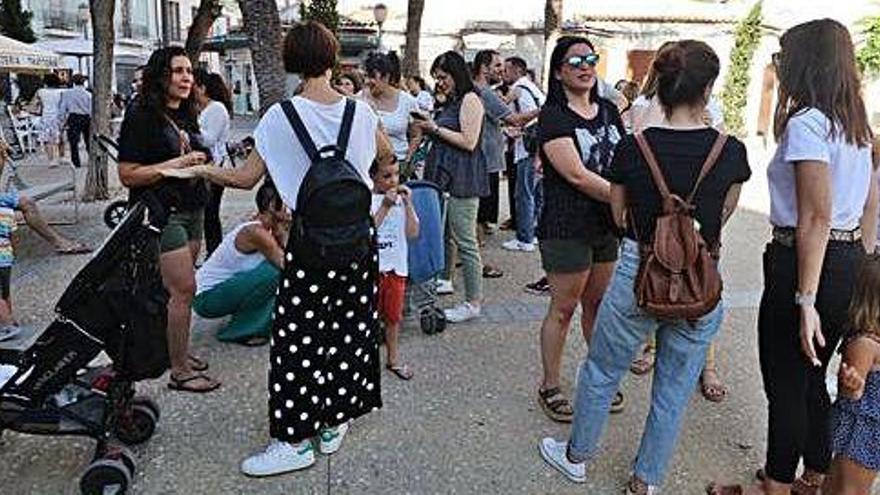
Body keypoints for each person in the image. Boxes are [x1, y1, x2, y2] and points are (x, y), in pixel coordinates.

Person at [539, 39, 751, 494]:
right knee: (673, 388)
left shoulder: (634, 149)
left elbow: (619, 216)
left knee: (602, 369)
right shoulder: (730, 151)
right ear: (708, 88)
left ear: (662, 86)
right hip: (700, 276)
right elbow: (725, 213)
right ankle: (645, 480)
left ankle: (577, 457)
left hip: (639, 271)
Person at [191, 21, 393, 476]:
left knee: (298, 339)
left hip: (309, 245)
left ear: (290, 61)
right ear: (332, 56)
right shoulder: (361, 113)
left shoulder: (279, 117)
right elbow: (385, 157)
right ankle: (333, 422)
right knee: (349, 331)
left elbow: (245, 178)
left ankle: (294, 441)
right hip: (358, 242)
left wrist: (201, 172)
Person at [708, 19, 878, 495]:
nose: (778, 66)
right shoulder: (855, 124)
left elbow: (814, 217)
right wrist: (859, 267)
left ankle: (777, 483)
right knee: (812, 377)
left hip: (804, 263)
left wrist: (805, 300)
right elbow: (866, 206)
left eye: (783, 57)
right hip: (845, 263)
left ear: (805, 62)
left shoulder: (808, 123)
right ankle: (813, 474)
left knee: (784, 381)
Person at [532, 36, 625, 423]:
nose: (586, 66)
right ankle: (550, 384)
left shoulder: (607, 109)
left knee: (597, 305)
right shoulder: (553, 116)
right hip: (566, 225)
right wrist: (627, 201)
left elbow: (625, 158)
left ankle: (598, 376)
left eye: (591, 59)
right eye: (575, 62)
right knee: (564, 307)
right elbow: (575, 174)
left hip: (606, 226)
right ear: (558, 71)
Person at [117, 46, 220, 394]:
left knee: (179, 294)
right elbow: (128, 174)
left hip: (194, 210)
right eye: (178, 71)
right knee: (183, 288)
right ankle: (178, 370)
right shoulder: (142, 115)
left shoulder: (187, 114)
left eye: (190, 71)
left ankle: (179, 352)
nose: (187, 77)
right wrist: (177, 165)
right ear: (161, 76)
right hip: (163, 214)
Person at [412, 51, 486, 324]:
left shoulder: (470, 99)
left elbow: (469, 141)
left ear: (456, 75)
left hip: (463, 176)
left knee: (465, 240)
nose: (439, 82)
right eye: (436, 78)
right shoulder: (452, 101)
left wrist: (433, 127)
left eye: (443, 77)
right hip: (445, 174)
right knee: (447, 233)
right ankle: (446, 279)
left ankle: (473, 302)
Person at [472, 49, 542, 279]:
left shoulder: (480, 91)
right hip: (484, 158)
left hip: (485, 156)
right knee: (477, 213)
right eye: (498, 66)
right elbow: (514, 118)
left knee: (479, 212)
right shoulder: (485, 92)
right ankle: (473, 261)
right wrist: (546, 110)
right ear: (484, 67)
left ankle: (472, 258)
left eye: (504, 66)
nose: (501, 71)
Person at [193, 180, 287, 345]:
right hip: (206, 299)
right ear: (273, 206)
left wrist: (280, 231)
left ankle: (249, 320)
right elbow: (286, 264)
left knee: (273, 274)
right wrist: (283, 231)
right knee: (276, 272)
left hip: (217, 293)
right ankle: (242, 330)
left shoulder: (264, 228)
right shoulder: (255, 232)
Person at [817, 255, 880, 495]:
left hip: (865, 429)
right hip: (863, 428)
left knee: (847, 489)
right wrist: (853, 385)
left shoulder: (868, 342)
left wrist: (853, 385)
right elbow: (853, 392)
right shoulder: (867, 343)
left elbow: (853, 393)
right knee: (843, 488)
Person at [371, 160, 420, 380]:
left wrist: (408, 205)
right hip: (373, 268)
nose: (393, 181)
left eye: (396, 175)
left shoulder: (402, 202)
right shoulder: (369, 201)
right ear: (373, 177)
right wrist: (385, 207)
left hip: (395, 267)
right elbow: (368, 232)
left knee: (393, 317)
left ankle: (393, 358)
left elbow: (412, 233)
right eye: (386, 176)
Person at [501, 56, 545, 253]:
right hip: (540, 145)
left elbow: (506, 112)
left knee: (524, 193)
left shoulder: (518, 88)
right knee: (537, 193)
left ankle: (524, 238)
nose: (503, 73)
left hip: (527, 147)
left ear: (517, 71)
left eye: (506, 70)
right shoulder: (534, 87)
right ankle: (533, 233)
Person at [193, 69, 232, 257]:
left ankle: (215, 253)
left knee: (210, 214)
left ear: (201, 88)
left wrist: (189, 132)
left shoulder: (216, 109)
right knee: (208, 214)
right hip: (209, 168)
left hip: (216, 169)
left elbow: (209, 139)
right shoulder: (205, 110)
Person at [362, 52, 421, 176]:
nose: (367, 81)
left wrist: (407, 160)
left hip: (397, 166)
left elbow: (416, 135)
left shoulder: (408, 101)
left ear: (386, 77)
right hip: (368, 166)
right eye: (366, 76)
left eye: (372, 76)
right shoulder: (359, 99)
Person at [58, 74, 92, 169]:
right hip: (86, 118)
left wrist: (62, 120)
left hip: (73, 117)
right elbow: (91, 110)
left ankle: (76, 162)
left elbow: (62, 108)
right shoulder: (88, 94)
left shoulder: (67, 93)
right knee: (88, 141)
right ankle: (91, 159)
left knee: (73, 142)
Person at [32, 73, 65, 165]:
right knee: (60, 137)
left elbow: (35, 103)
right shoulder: (62, 92)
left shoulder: (40, 91)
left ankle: (51, 160)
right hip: (58, 116)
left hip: (46, 116)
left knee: (47, 139)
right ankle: (61, 157)